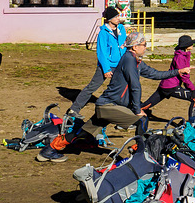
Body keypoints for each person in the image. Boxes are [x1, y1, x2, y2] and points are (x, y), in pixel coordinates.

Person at [39, 32, 187, 162]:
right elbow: (135, 87)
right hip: (108, 106)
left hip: (106, 105)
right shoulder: (129, 60)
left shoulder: (136, 61)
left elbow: (155, 74)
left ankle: (49, 150)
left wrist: (178, 72)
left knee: (83, 133)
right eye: (144, 44)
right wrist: (136, 109)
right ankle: (139, 155)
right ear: (135, 47)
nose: (146, 47)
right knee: (142, 119)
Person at [68, 6, 127, 119]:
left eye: (118, 16)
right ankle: (73, 110)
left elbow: (124, 44)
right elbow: (101, 53)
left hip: (120, 64)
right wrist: (106, 69)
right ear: (109, 19)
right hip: (107, 65)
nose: (118, 18)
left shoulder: (121, 29)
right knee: (92, 87)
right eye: (116, 16)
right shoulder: (103, 33)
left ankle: (121, 115)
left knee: (121, 88)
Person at [141, 35, 195, 125]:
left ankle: (129, 115)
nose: (192, 45)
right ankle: (192, 124)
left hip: (165, 85)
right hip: (171, 86)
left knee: (146, 105)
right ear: (186, 46)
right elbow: (183, 75)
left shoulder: (183, 54)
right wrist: (192, 89)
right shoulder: (180, 57)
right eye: (190, 44)